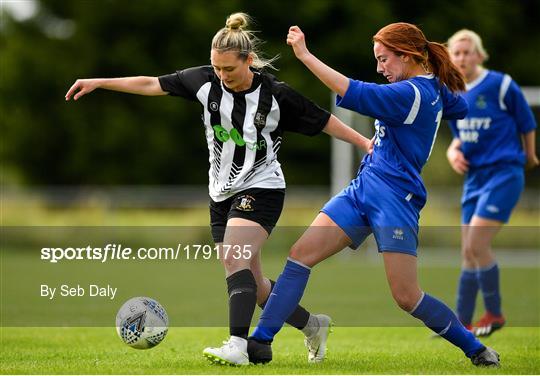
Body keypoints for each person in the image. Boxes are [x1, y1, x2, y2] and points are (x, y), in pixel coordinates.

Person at [65, 12, 372, 366]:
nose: (222, 76)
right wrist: (100, 82)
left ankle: (237, 346)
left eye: (229, 69)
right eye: (217, 68)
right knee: (254, 285)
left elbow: (323, 121)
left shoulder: (276, 95)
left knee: (234, 257)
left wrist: (364, 143)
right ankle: (313, 325)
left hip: (262, 187)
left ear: (249, 61)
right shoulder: (203, 81)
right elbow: (152, 83)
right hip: (220, 194)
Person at [245, 22, 500, 367]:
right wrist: (439, 96)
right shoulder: (428, 89)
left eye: (384, 60)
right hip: (363, 188)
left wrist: (304, 55)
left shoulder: (410, 94)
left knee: (407, 297)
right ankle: (260, 343)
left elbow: (356, 92)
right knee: (300, 254)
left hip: (396, 200)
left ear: (408, 56)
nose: (380, 69)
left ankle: (477, 349)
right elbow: (460, 107)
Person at [446, 29, 538, 337]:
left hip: (504, 173)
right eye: (455, 53)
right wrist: (452, 150)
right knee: (467, 252)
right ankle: (461, 323)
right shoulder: (452, 91)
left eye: (466, 51)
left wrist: (529, 155)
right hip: (475, 178)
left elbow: (526, 122)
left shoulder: (500, 84)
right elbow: (460, 137)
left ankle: (494, 313)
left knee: (477, 243)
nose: (461, 57)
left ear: (479, 55)